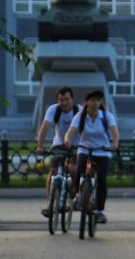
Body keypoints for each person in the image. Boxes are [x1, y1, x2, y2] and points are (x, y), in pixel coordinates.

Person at [62, 89, 120, 224]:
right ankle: (76, 195)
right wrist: (67, 140)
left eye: (98, 101)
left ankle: (100, 210)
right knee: (78, 171)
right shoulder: (80, 116)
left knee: (102, 179)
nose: (95, 103)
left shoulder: (106, 116)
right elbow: (71, 131)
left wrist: (114, 144)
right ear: (87, 102)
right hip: (85, 149)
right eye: (92, 100)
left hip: (102, 151)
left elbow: (114, 132)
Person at [35, 86, 78, 216]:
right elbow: (44, 128)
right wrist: (40, 147)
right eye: (61, 100)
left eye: (66, 99)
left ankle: (74, 190)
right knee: (53, 171)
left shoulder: (79, 111)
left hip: (76, 144)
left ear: (72, 99)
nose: (64, 103)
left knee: (73, 168)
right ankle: (50, 202)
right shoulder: (54, 110)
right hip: (59, 143)